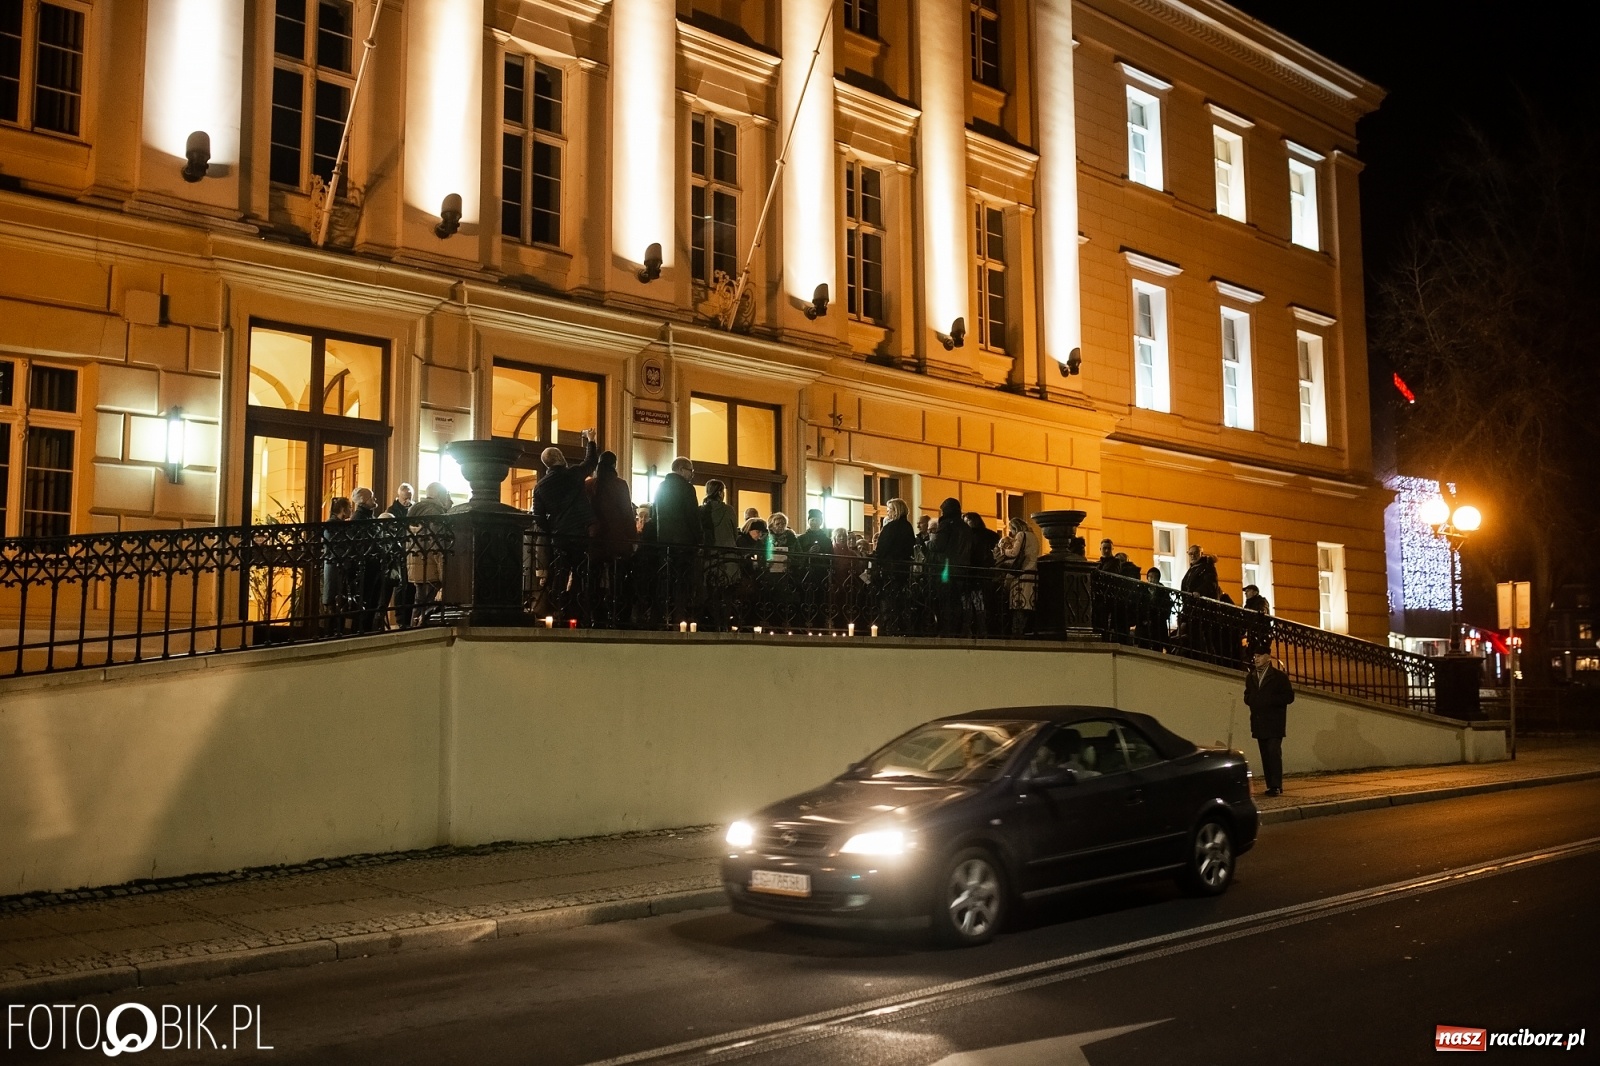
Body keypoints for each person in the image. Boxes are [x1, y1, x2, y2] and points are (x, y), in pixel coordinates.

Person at [531, 429, 599, 617]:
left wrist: (551, 531)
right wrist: (590, 441)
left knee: (560, 572)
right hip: (580, 531)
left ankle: (557, 607)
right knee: (580, 572)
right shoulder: (574, 474)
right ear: (561, 458)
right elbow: (591, 462)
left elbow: (538, 517)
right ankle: (577, 608)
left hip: (560, 535)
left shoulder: (541, 487)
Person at [653, 457, 702, 623]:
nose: (692, 475)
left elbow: (655, 515)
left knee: (665, 581)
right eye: (691, 470)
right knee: (682, 584)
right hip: (684, 544)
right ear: (681, 469)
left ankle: (662, 617)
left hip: (664, 543)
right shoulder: (686, 489)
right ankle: (679, 618)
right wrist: (699, 539)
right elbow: (692, 516)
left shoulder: (660, 487)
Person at [1244, 649, 1295, 796]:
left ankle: (1276, 785)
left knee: (1273, 752)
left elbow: (1289, 697)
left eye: (1259, 655)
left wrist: (1270, 701)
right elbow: (1247, 695)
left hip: (1274, 721)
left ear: (1267, 657)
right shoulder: (1251, 677)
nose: (1256, 658)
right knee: (1265, 754)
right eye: (1255, 656)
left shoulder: (1278, 677)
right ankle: (1271, 785)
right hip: (1259, 721)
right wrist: (1252, 700)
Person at [405, 482, 452, 624]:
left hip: (417, 565)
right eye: (445, 495)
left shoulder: (414, 509)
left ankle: (414, 631)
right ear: (438, 495)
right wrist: (444, 573)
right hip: (430, 566)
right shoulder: (434, 512)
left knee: (419, 603)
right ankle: (419, 632)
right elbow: (438, 543)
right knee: (427, 608)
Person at [929, 499, 974, 635]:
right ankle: (958, 628)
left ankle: (946, 629)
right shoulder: (965, 527)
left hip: (946, 570)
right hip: (962, 569)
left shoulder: (946, 525)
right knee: (957, 602)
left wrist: (928, 543)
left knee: (946, 601)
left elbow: (938, 545)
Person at [871, 498, 915, 631]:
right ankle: (900, 625)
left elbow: (882, 548)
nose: (888, 513)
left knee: (888, 599)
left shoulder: (890, 527)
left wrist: (876, 562)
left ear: (896, 511)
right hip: (903, 569)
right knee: (900, 598)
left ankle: (889, 625)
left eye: (889, 510)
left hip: (889, 569)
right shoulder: (908, 527)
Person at [996, 517, 1041, 635]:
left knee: (1018, 604)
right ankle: (1023, 629)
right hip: (1032, 572)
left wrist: (1003, 550)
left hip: (1021, 572)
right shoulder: (1034, 536)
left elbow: (1014, 552)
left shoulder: (1021, 535)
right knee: (1027, 604)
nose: (1011, 533)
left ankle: (1016, 632)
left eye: (1011, 529)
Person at [1140, 567, 1174, 647]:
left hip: (1158, 626)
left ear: (1158, 579)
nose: (1152, 579)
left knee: (1157, 647)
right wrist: (1143, 619)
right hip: (1144, 625)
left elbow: (1167, 607)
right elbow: (1139, 606)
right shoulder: (1142, 590)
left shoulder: (1163, 592)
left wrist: (1158, 618)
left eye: (1155, 577)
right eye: (1150, 577)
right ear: (1147, 578)